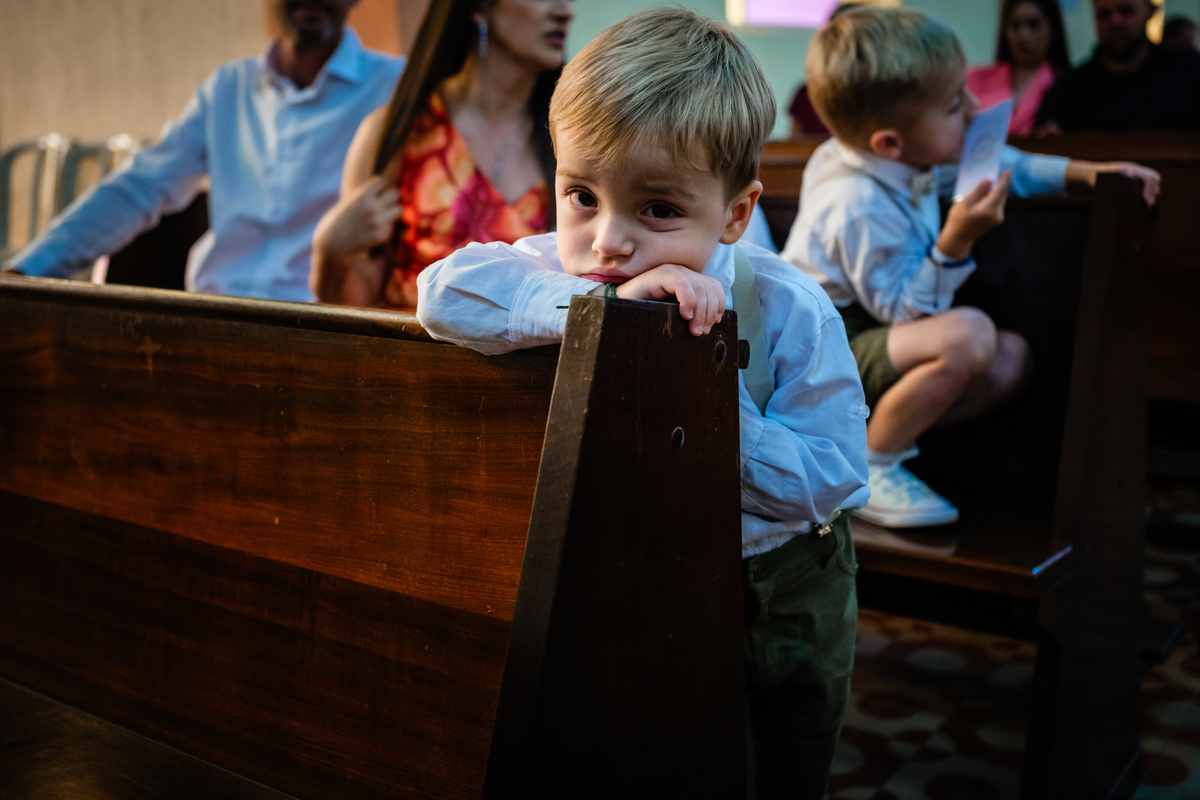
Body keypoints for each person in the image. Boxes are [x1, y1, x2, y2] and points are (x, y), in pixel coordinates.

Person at [416, 9, 869, 798]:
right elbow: (439, 293)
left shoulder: (791, 307)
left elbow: (828, 478)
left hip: (778, 586)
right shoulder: (561, 269)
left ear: (734, 213)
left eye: (658, 209)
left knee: (782, 761)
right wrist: (608, 319)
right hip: (634, 575)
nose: (608, 242)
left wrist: (691, 377)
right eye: (582, 195)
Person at [781, 5, 1160, 528]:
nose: (975, 107)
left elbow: (1007, 164)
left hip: (871, 337)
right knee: (970, 335)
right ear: (889, 142)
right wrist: (956, 240)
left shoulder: (902, 156)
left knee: (1010, 360)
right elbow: (906, 313)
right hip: (823, 352)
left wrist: (1093, 174)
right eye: (955, 104)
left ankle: (870, 445)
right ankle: (865, 466)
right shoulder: (854, 200)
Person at [2, 0, 402, 301]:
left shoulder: (396, 89)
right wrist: (26, 271)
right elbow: (139, 187)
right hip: (211, 314)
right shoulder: (228, 89)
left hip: (319, 325)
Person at [309, 0, 572, 309]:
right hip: (408, 354)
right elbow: (355, 310)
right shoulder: (400, 134)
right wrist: (329, 253)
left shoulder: (566, 138)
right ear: (480, 7)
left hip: (528, 356)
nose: (564, 11)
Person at [1037, 0, 1200, 131]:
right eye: (1104, 14)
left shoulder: (1189, 73)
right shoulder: (1067, 91)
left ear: (1151, 11)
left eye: (1126, 10)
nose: (1115, 21)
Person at [967, 0, 1070, 135]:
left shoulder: (1067, 87)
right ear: (1005, 32)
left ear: (1052, 28)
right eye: (1015, 26)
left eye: (1033, 24)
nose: (1023, 35)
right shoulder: (975, 79)